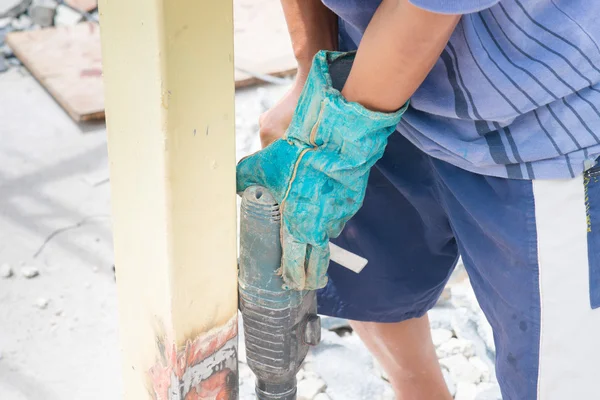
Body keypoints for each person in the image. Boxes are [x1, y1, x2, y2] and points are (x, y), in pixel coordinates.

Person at [236, 1, 600, 398]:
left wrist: (334, 145)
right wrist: (316, 75)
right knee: (370, 282)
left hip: (533, 112)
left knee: (560, 380)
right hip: (371, 76)